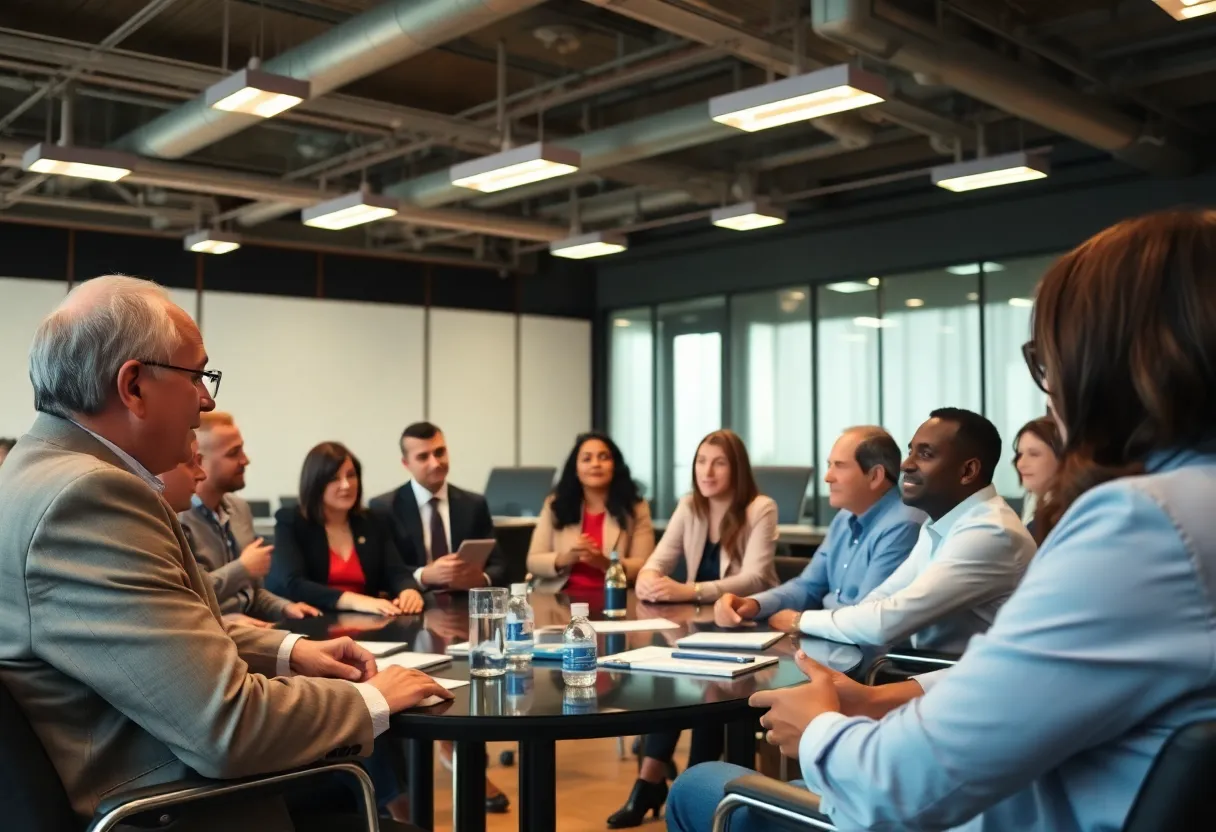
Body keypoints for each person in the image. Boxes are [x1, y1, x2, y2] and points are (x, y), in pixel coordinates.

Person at [668, 209, 1216, 832]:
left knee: (701, 789)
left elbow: (897, 787)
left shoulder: (1137, 525)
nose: (1049, 391)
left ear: (1112, 364)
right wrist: (877, 698)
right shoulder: (1185, 509)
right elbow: (1024, 684)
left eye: (1047, 360)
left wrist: (820, 729)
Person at [0, 275, 452, 832]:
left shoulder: (34, 472)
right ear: (134, 386)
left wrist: (290, 652)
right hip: (182, 805)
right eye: (197, 375)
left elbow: (152, 631)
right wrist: (372, 700)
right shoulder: (89, 498)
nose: (208, 399)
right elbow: (228, 729)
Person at [608, 429, 778, 828]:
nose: (708, 470)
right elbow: (657, 560)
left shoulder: (760, 508)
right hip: (698, 630)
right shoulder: (690, 506)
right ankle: (656, 782)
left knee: (708, 696)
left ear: (737, 468)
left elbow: (755, 578)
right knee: (669, 684)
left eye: (719, 462)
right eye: (702, 461)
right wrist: (649, 577)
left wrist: (689, 589)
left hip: (747, 628)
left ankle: (683, 787)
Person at [795, 409, 1036, 653]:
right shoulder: (941, 523)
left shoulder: (989, 533)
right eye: (911, 452)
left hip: (967, 680)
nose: (906, 464)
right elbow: (881, 598)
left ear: (967, 472)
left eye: (925, 454)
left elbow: (884, 623)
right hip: (930, 671)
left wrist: (798, 620)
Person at [714, 426, 924, 633]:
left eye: (839, 466)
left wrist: (800, 621)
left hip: (865, 655)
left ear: (875, 476)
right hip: (827, 639)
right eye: (829, 465)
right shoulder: (844, 518)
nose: (827, 477)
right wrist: (753, 604)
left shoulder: (903, 526)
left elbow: (866, 617)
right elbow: (807, 587)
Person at [180, 411, 319, 624]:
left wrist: (284, 607)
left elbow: (251, 593)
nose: (245, 460)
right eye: (234, 453)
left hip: (253, 629)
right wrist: (242, 568)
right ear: (199, 461)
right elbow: (187, 596)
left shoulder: (239, 509)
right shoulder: (177, 517)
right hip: (212, 636)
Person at [269, 442, 425, 616]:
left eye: (351, 475)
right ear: (315, 483)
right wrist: (355, 600)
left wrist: (408, 591)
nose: (346, 485)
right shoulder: (291, 521)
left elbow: (396, 571)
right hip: (313, 622)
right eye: (334, 478)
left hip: (368, 624)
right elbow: (293, 583)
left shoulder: (373, 521)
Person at [370, 421, 506, 591]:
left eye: (439, 452)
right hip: (412, 605)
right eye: (423, 457)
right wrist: (424, 575)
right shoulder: (384, 508)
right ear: (406, 463)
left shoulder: (473, 504)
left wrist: (480, 579)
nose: (435, 463)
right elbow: (379, 572)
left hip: (464, 602)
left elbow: (499, 566)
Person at [526, 431, 655, 594]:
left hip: (615, 599)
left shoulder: (635, 508)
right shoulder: (555, 505)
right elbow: (533, 561)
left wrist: (605, 563)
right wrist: (565, 558)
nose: (595, 464)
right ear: (575, 469)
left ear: (615, 465)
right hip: (561, 599)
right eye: (587, 459)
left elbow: (644, 566)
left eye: (604, 457)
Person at [1012, 415, 1063, 537]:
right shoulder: (1033, 501)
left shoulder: (1067, 514)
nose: (1020, 464)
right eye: (1020, 454)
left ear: (1062, 457)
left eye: (1034, 454)